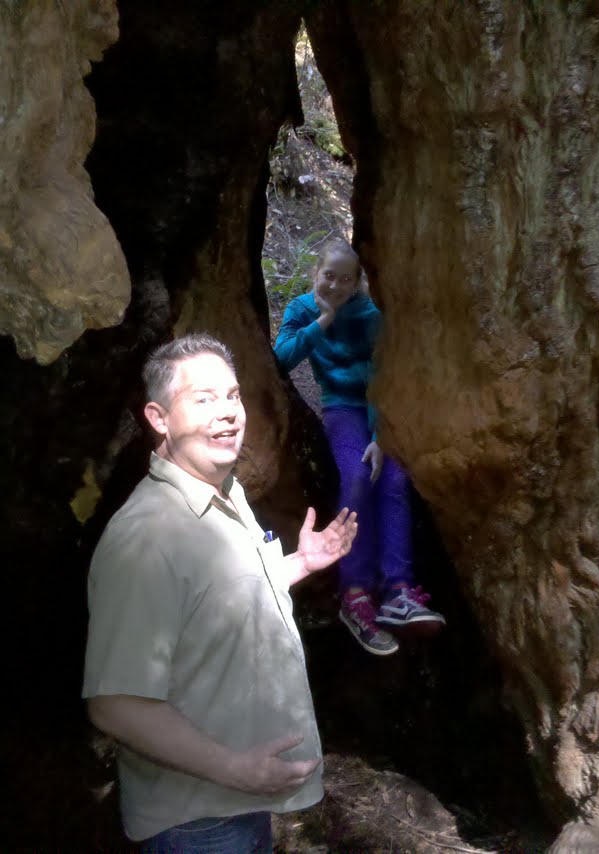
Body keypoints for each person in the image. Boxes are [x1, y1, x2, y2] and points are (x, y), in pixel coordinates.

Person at [82, 333, 357, 854]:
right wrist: (236, 769)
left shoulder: (223, 493)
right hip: (197, 822)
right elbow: (115, 704)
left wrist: (300, 563)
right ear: (159, 418)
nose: (228, 412)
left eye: (232, 396)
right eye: (203, 399)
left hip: (240, 803)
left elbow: (219, 601)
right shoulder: (146, 538)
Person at [274, 237, 445, 657]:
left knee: (394, 480)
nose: (335, 285)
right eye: (328, 276)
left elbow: (380, 377)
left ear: (357, 283)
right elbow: (280, 359)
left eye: (345, 280)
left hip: (377, 409)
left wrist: (379, 436)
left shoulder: (370, 317)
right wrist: (323, 320)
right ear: (316, 273)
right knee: (355, 477)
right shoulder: (301, 310)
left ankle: (398, 590)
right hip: (339, 408)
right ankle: (355, 594)